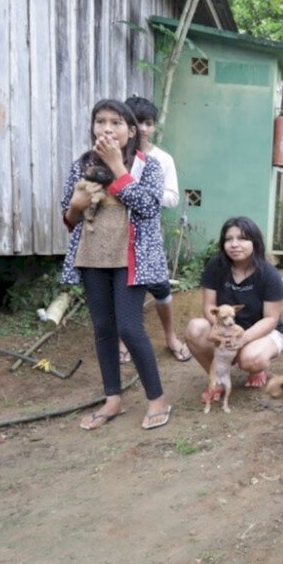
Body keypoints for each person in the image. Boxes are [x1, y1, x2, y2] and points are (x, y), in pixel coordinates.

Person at [60, 99, 172, 430]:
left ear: (131, 130)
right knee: (103, 329)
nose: (107, 129)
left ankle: (157, 399)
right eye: (100, 122)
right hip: (92, 256)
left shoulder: (147, 166)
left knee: (129, 327)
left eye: (116, 123)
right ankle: (113, 399)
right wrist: (77, 205)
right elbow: (68, 216)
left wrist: (116, 167)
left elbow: (149, 207)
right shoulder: (80, 165)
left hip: (129, 258)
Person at [116, 96, 191, 363]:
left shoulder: (162, 159)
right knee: (122, 289)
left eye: (149, 123)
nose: (144, 129)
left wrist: (143, 193)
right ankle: (122, 340)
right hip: (115, 238)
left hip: (147, 239)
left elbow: (172, 198)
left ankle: (170, 337)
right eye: (138, 122)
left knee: (161, 289)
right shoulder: (114, 156)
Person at [183, 217, 283, 395]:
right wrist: (222, 332)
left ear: (255, 242)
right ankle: (218, 379)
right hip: (226, 326)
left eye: (242, 238)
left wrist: (242, 339)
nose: (234, 244)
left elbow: (271, 318)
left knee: (251, 359)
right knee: (195, 328)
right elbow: (209, 306)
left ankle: (256, 369)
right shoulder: (216, 265)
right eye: (229, 239)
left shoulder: (269, 274)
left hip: (262, 331)